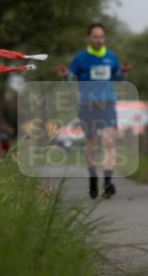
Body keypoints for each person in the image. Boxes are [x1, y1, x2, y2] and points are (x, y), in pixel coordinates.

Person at [56, 23, 130, 199]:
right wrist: (65, 75)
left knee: (109, 142)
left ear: (104, 38)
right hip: (87, 105)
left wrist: (124, 72)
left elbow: (117, 78)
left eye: (101, 36)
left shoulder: (111, 57)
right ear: (89, 38)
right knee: (91, 144)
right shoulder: (80, 58)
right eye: (95, 36)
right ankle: (92, 178)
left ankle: (107, 181)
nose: (98, 39)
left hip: (107, 104)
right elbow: (71, 79)